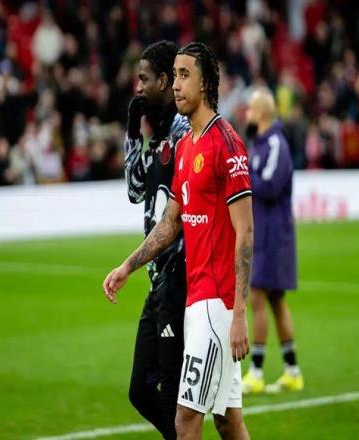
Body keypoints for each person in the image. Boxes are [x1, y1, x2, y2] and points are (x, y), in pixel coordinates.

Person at [103, 42, 252, 440]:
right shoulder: (186, 147)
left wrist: (239, 313)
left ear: (205, 84)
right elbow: (170, 223)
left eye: (185, 75)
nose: (176, 85)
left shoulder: (227, 144)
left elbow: (246, 232)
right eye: (176, 76)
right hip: (194, 298)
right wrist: (127, 266)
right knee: (229, 421)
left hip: (216, 303)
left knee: (185, 421)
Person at [123, 40, 189, 440]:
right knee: (140, 390)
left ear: (165, 81)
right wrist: (134, 133)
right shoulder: (158, 132)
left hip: (180, 275)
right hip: (156, 280)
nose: (138, 88)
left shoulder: (183, 132)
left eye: (144, 79)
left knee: (169, 393)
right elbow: (134, 191)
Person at [241, 89, 303, 395]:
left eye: (250, 109)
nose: (247, 114)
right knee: (276, 301)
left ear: (262, 112)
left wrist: (242, 175)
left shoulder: (276, 143)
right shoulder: (260, 142)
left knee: (258, 297)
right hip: (264, 233)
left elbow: (268, 185)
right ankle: (292, 370)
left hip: (273, 236)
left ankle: (256, 372)